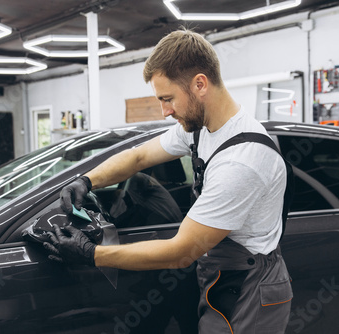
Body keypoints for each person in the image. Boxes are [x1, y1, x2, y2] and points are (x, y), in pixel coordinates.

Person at [44, 28, 293, 333]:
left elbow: (180, 251)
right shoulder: (201, 128)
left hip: (249, 289)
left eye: (168, 99)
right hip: (223, 275)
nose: (164, 112)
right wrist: (86, 180)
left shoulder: (241, 162)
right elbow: (138, 157)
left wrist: (91, 254)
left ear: (200, 84)